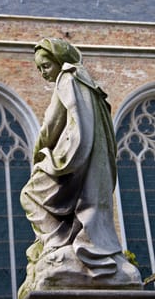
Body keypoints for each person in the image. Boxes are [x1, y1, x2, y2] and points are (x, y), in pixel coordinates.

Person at [18, 38, 142, 297]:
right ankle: (66, 242)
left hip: (73, 156)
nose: (43, 73)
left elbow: (52, 124)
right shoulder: (87, 81)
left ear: (59, 60)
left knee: (30, 194)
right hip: (90, 161)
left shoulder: (68, 79)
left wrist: (40, 150)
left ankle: (55, 244)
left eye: (45, 66)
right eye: (39, 69)